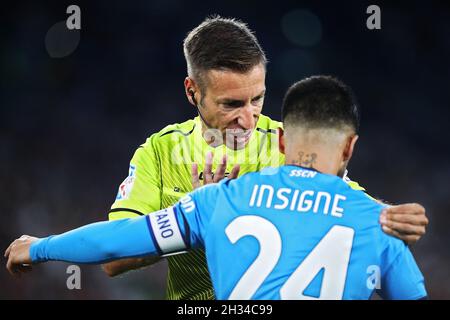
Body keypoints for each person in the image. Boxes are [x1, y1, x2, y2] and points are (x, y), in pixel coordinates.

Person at [5, 76, 427, 300]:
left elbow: (114, 244)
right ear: (350, 147)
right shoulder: (381, 223)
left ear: (281, 140)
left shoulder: (219, 200)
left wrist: (39, 246)